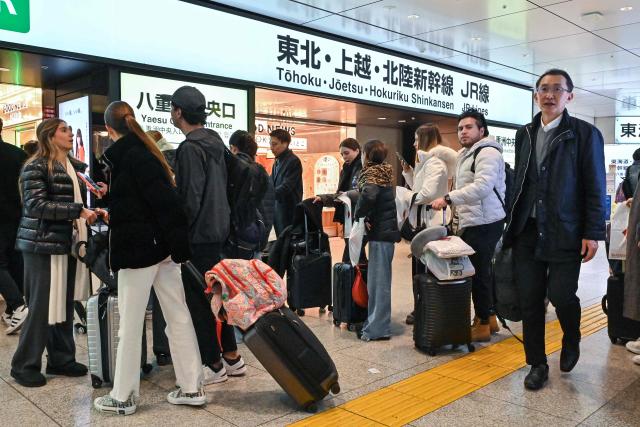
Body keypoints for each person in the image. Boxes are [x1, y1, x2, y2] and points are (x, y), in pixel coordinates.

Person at [93, 101, 205, 414]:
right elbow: (155, 200)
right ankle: (192, 387)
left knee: (129, 323)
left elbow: (160, 204)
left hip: (138, 251)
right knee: (177, 315)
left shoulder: (129, 156)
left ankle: (123, 396)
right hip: (163, 251)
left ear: (111, 129)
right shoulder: (146, 152)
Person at [504, 69, 606, 391]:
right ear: (536, 95)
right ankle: (537, 363)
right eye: (543, 89)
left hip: (565, 230)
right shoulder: (525, 133)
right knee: (531, 300)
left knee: (562, 295)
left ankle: (572, 336)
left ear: (569, 97)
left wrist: (592, 232)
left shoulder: (585, 134)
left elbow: (594, 186)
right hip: (528, 230)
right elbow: (520, 180)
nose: (549, 95)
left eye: (557, 90)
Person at [10, 118, 97, 387]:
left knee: (64, 301)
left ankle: (61, 359)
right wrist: (77, 211)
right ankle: (24, 365)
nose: (70, 133)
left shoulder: (72, 167)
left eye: (70, 130)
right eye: (64, 130)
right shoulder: (36, 166)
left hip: (64, 242)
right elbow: (35, 205)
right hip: (40, 244)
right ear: (49, 136)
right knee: (40, 306)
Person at [170, 86, 246, 385]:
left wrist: (177, 231)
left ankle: (213, 365)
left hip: (198, 235)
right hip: (220, 231)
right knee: (218, 296)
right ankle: (232, 357)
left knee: (200, 303)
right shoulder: (216, 143)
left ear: (178, 112)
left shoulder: (190, 148)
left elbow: (190, 199)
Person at [432, 109, 506, 343]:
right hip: (474, 219)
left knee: (478, 273)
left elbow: (483, 187)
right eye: (460, 128)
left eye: (468, 127)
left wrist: (449, 198)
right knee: (481, 271)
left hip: (485, 221)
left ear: (481, 130)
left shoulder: (487, 153)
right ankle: (490, 318)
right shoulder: (466, 154)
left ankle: (483, 322)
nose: (463, 132)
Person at [401, 123, 457, 325]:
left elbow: (428, 193)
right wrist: (408, 173)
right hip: (425, 221)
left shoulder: (434, 163)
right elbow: (420, 188)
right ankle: (422, 307)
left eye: (416, 139)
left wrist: (406, 197)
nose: (414, 143)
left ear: (424, 140)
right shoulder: (426, 163)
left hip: (431, 223)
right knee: (420, 267)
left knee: (428, 269)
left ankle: (427, 309)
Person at [354, 140, 400, 341]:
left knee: (378, 283)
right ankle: (374, 324)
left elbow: (369, 195)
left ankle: (378, 329)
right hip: (384, 233)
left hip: (382, 235)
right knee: (377, 282)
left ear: (366, 155)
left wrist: (359, 214)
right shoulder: (383, 173)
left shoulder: (372, 175)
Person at [0, 118, 29, 334]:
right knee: (14, 261)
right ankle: (12, 309)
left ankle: (18, 304)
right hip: (17, 216)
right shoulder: (18, 154)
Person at [314, 138, 363, 262]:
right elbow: (341, 194)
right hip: (349, 215)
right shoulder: (346, 169)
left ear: (357, 150)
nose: (344, 157)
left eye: (347, 153)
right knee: (356, 255)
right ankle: (357, 279)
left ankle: (350, 279)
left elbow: (354, 194)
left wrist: (326, 198)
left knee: (352, 255)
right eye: (342, 154)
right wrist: (324, 198)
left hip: (358, 216)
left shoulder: (362, 168)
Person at [229, 129, 275, 254]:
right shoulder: (262, 172)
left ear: (233, 148)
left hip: (238, 242)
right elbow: (268, 212)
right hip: (256, 239)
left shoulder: (235, 172)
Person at [270, 129, 302, 236]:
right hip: (277, 211)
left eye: (274, 144)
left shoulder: (293, 161)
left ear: (285, 143)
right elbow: (271, 183)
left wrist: (267, 195)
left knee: (288, 245)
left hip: (289, 212)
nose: (271, 148)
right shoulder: (277, 161)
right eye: (271, 144)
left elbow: (286, 186)